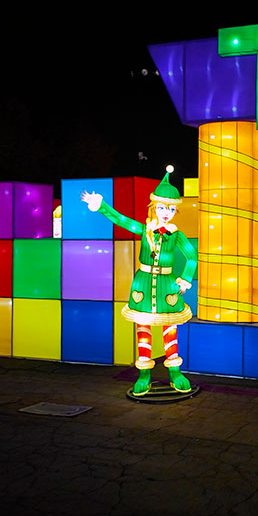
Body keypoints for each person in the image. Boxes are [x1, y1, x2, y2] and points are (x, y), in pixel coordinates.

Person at [81, 166, 197, 396]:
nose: (167, 212)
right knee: (143, 327)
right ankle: (144, 374)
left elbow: (191, 256)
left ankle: (175, 372)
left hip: (167, 286)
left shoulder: (176, 235)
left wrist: (185, 278)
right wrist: (102, 206)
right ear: (154, 207)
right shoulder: (145, 230)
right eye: (163, 207)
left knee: (169, 327)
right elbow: (122, 220)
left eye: (171, 208)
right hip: (142, 285)